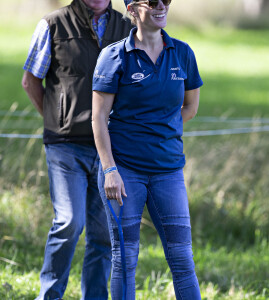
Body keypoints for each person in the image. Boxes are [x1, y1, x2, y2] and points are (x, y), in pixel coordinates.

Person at [91, 0, 203, 298]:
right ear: (132, 9)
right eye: (152, 2)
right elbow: (99, 117)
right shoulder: (113, 56)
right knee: (125, 258)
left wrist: (158, 130)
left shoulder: (183, 53)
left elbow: (190, 107)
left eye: (166, 0)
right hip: (124, 172)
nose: (161, 6)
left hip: (169, 172)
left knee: (182, 258)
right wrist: (109, 169)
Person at [21, 0, 132, 299]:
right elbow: (30, 80)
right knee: (69, 222)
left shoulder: (127, 27)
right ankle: (49, 295)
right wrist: (54, 117)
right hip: (66, 146)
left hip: (110, 149)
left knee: (103, 235)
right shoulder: (52, 24)